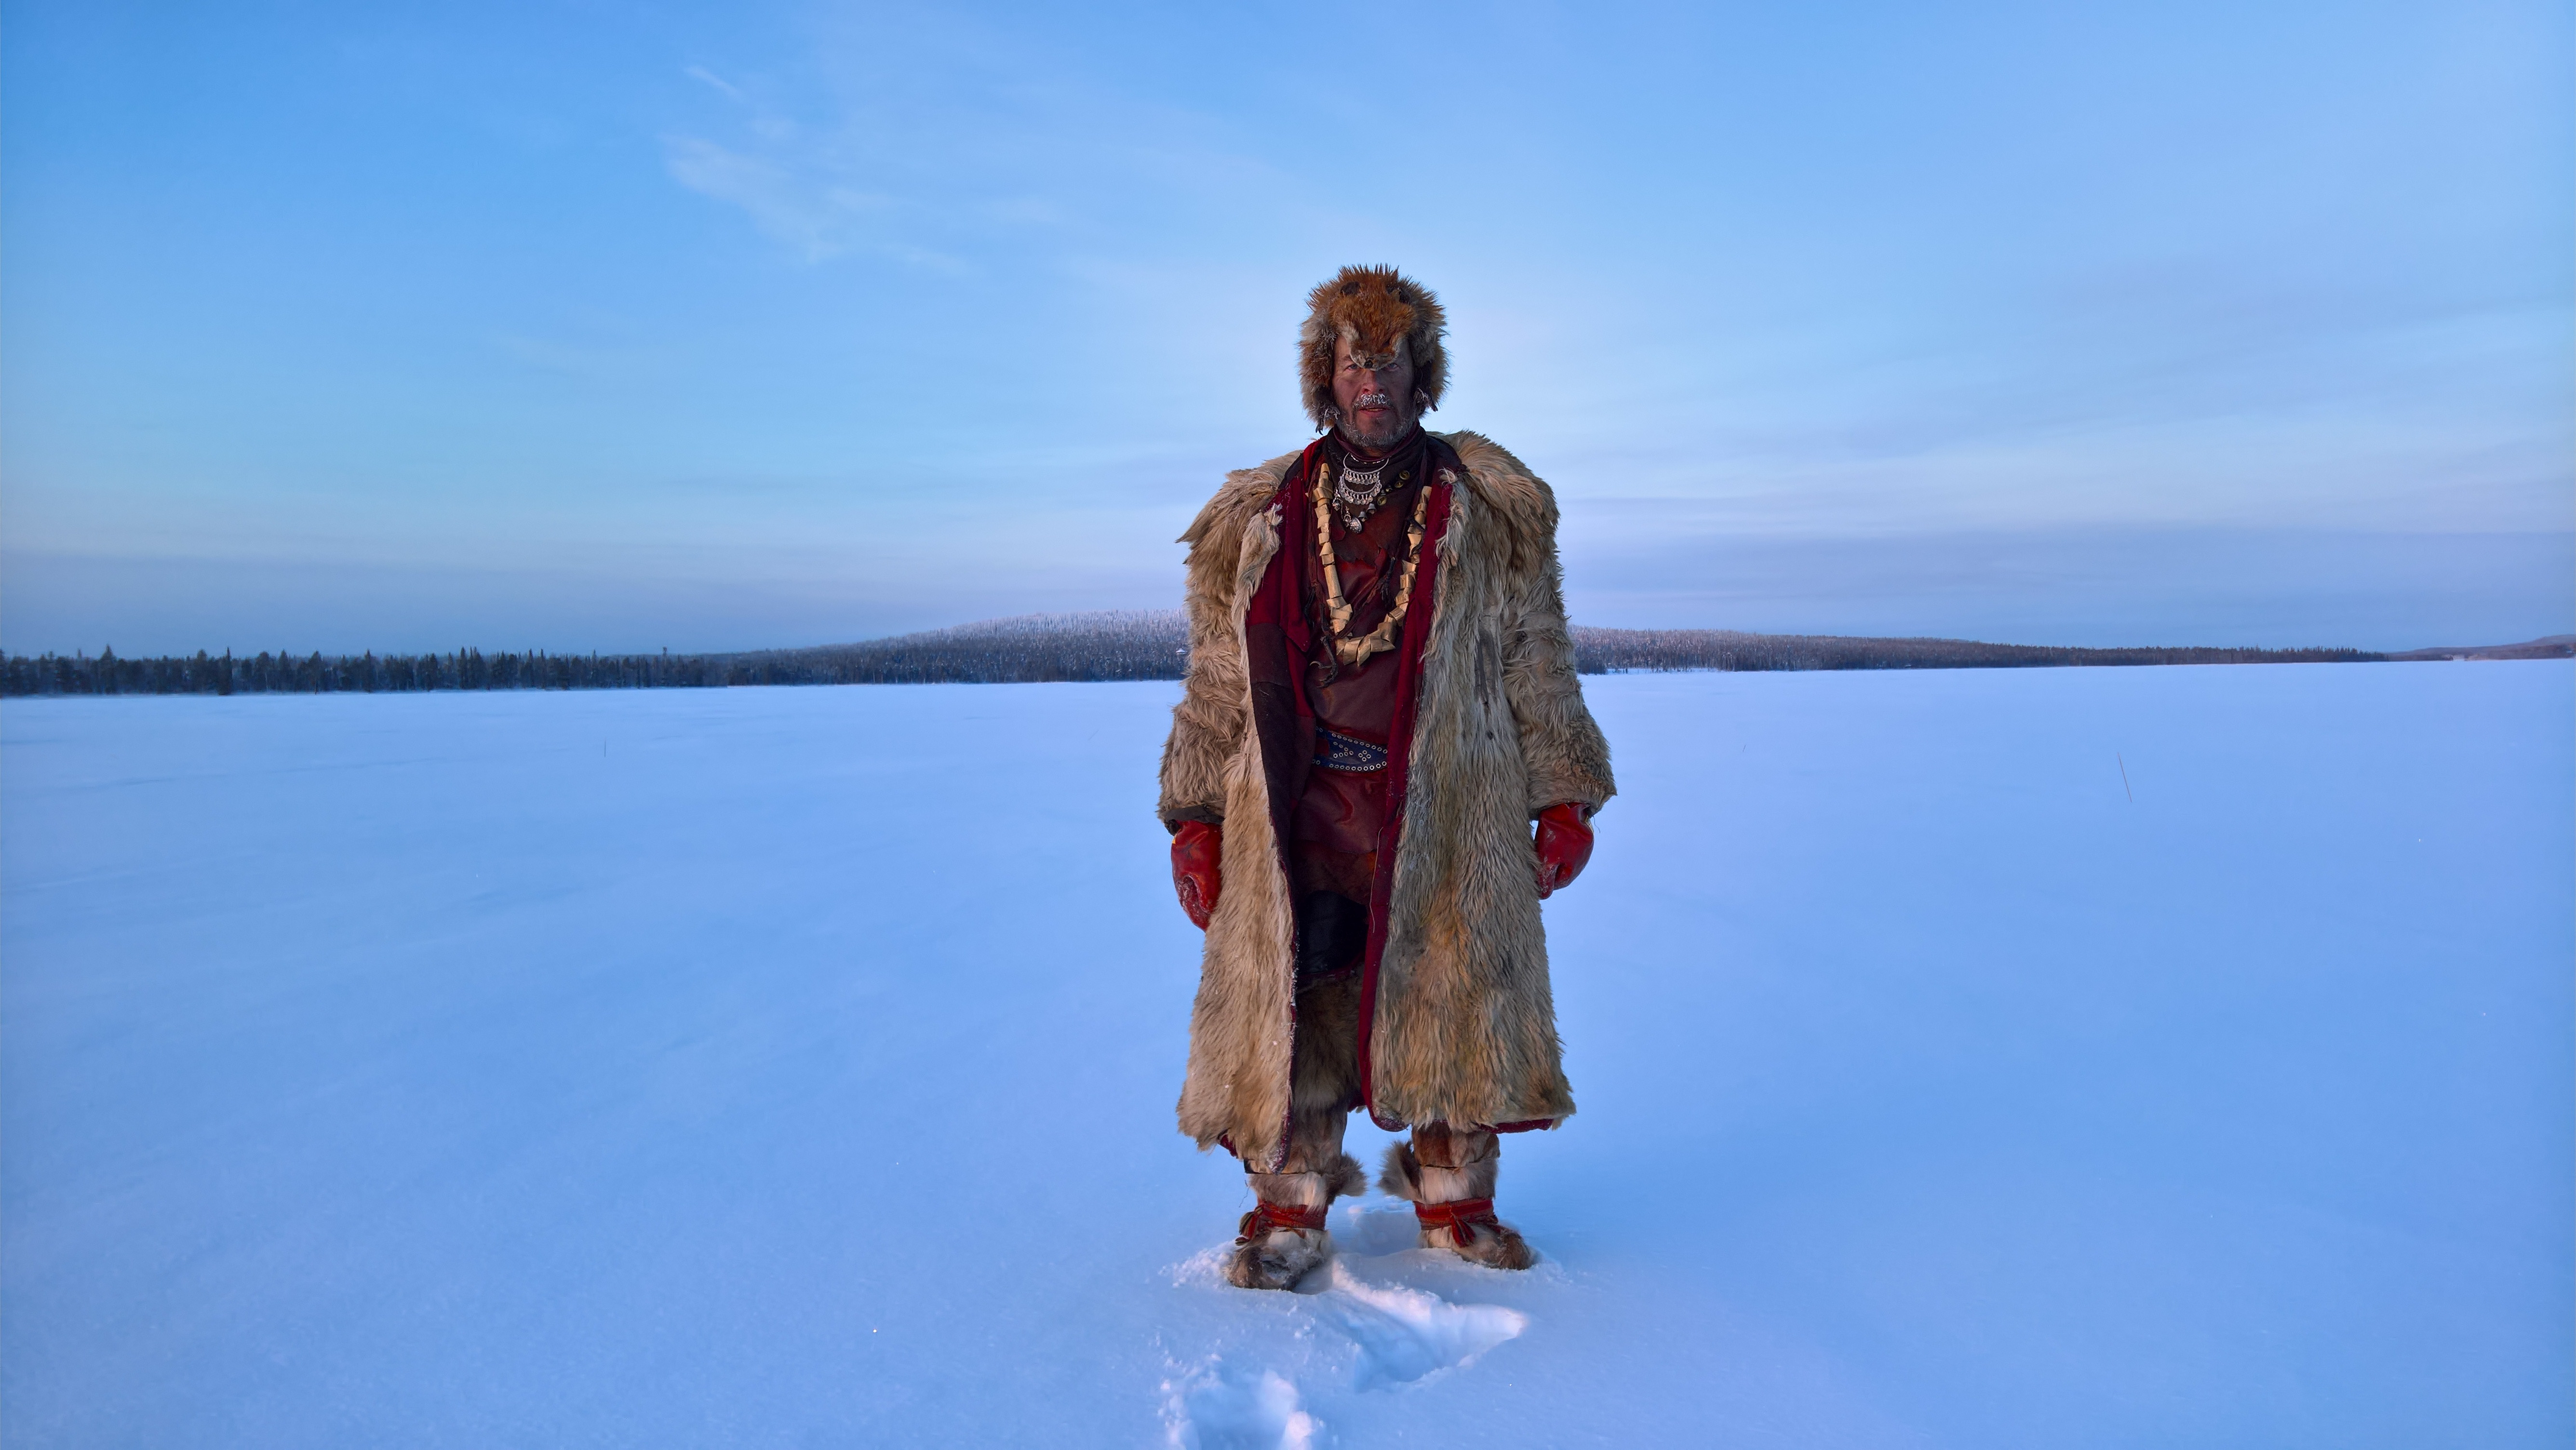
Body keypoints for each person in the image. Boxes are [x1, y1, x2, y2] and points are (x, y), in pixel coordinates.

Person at [1157, 265, 1615, 1289]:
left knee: (1451, 992)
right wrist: (1194, 816)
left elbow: (1535, 653)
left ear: (1423, 375)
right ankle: (1287, 1210)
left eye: (1392, 361)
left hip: (1447, 804)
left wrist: (1562, 793)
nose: (1373, 381)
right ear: (1323, 378)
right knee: (1298, 1002)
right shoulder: (1257, 515)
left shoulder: (1488, 505)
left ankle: (1456, 1206)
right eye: (1353, 362)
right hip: (1300, 811)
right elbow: (1218, 679)